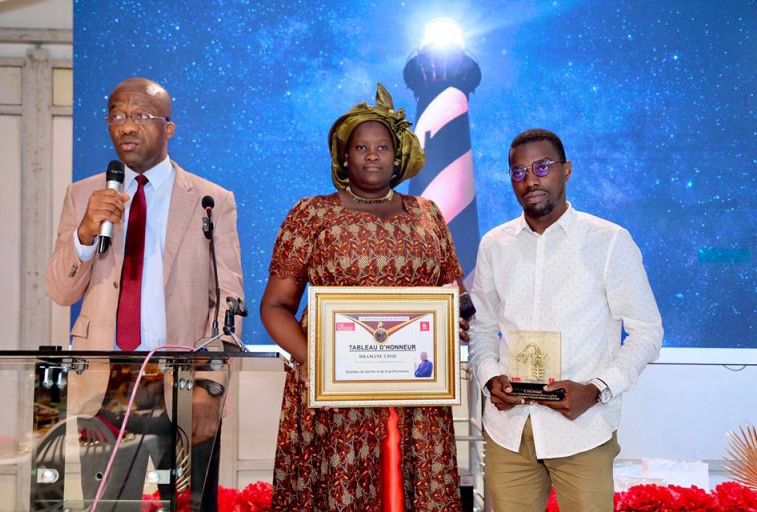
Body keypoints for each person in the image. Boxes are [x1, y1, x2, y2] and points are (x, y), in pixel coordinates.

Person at [261, 83, 463, 511]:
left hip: (416, 395)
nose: (372, 155)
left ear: (398, 156)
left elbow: (454, 295)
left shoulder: (428, 214)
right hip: (335, 395)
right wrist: (316, 362)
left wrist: (457, 323)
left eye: (382, 147)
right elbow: (275, 307)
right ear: (344, 156)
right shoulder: (311, 214)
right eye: (361, 147)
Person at [45, 77, 243, 511]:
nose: (126, 126)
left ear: (168, 128)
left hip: (184, 383)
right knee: (110, 507)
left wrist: (211, 386)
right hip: (106, 386)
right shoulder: (84, 195)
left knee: (191, 506)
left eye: (140, 115)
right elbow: (61, 290)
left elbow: (227, 303)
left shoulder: (211, 199)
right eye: (117, 115)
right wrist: (85, 232)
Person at [469, 128, 663, 512]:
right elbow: (481, 328)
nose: (531, 180)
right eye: (519, 172)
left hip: (581, 429)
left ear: (567, 169)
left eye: (542, 167)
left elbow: (647, 332)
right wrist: (490, 378)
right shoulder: (494, 244)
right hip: (510, 430)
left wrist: (597, 390)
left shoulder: (609, 241)